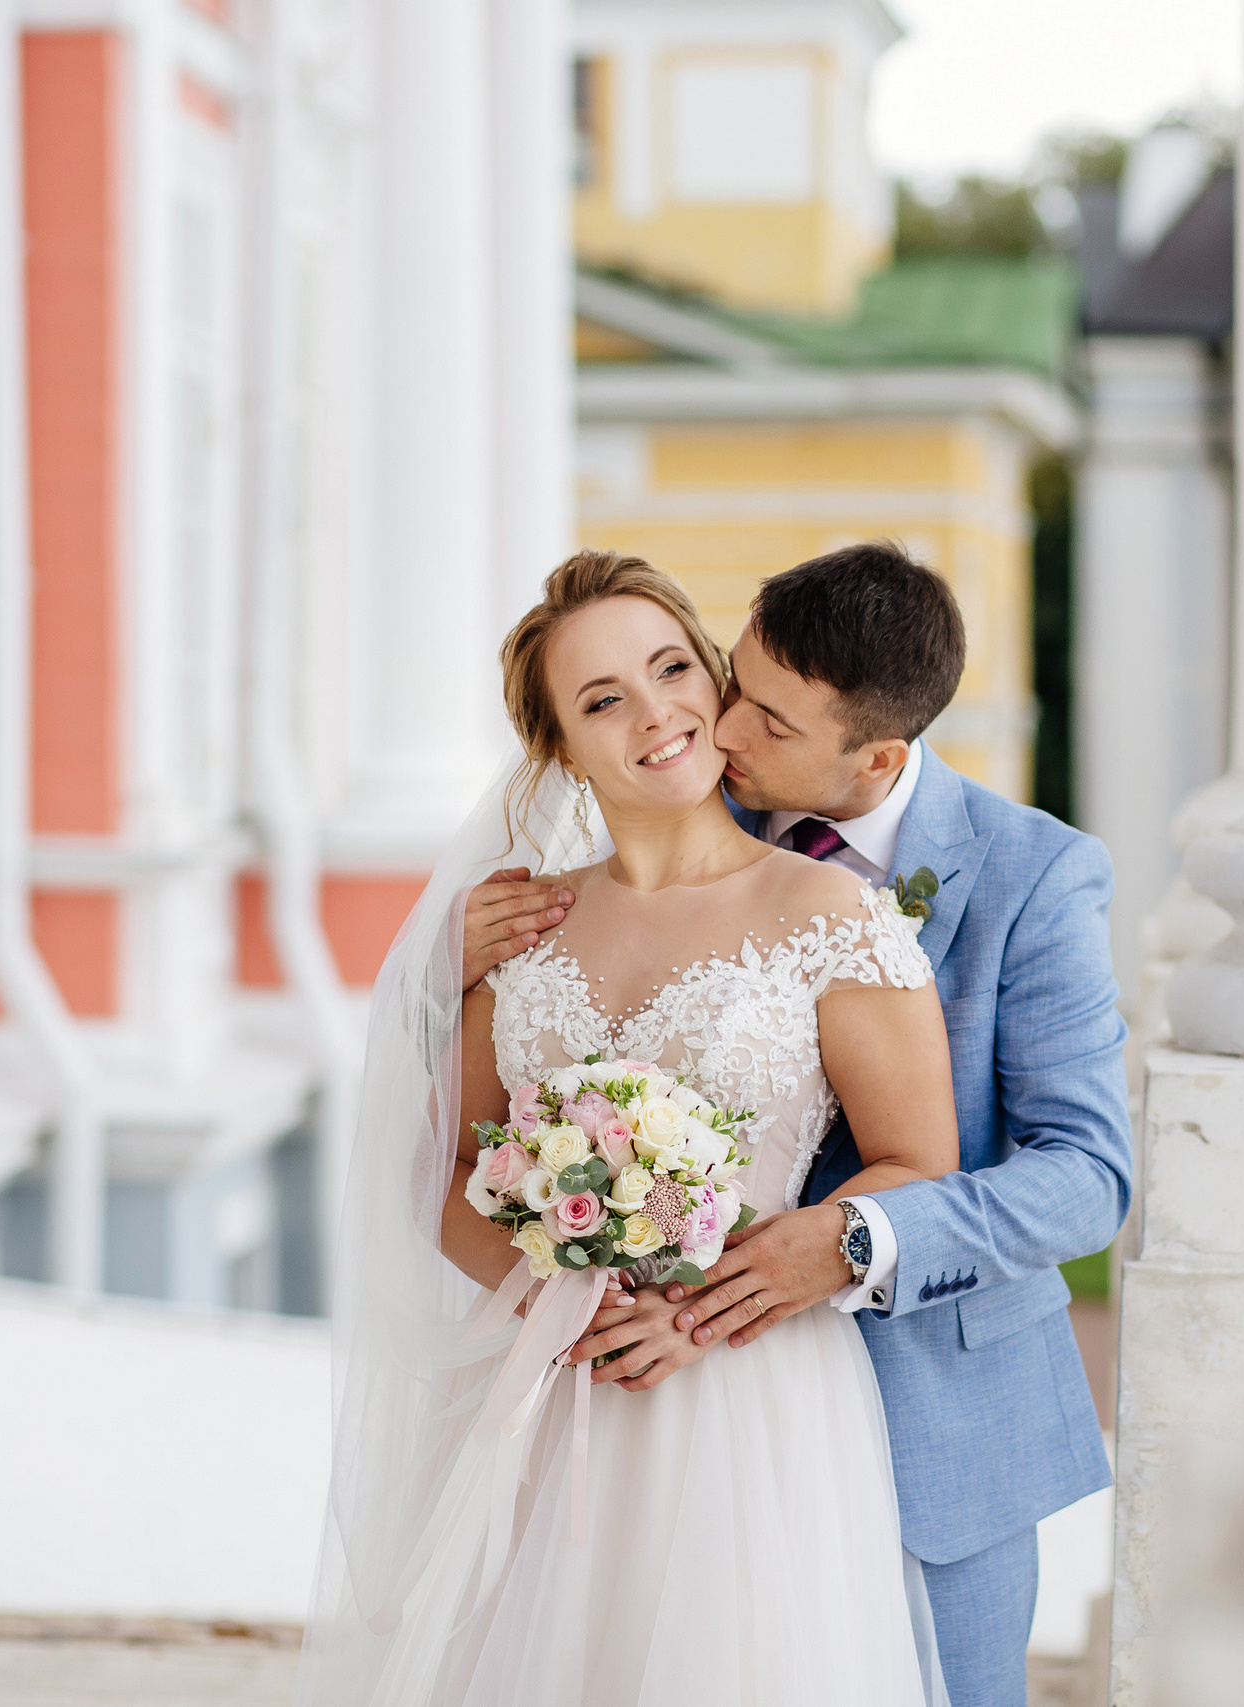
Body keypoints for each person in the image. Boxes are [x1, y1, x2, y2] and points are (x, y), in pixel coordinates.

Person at [465, 541, 1133, 1707]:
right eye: (732, 680)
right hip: (628, 1409)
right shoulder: (661, 789)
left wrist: (852, 1243)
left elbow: (1085, 1177)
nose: (718, 733)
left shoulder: (1034, 876)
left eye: (765, 722)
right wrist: (451, 962)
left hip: (932, 1413)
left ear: (874, 756)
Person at [297, 550, 962, 1707]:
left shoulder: (831, 916)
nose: (655, 713)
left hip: (750, 1396)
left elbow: (918, 1161)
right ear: (557, 746)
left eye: (671, 668)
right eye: (602, 699)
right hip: (550, 1394)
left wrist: (703, 1315)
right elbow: (443, 1162)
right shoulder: (525, 930)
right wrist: (556, 1298)